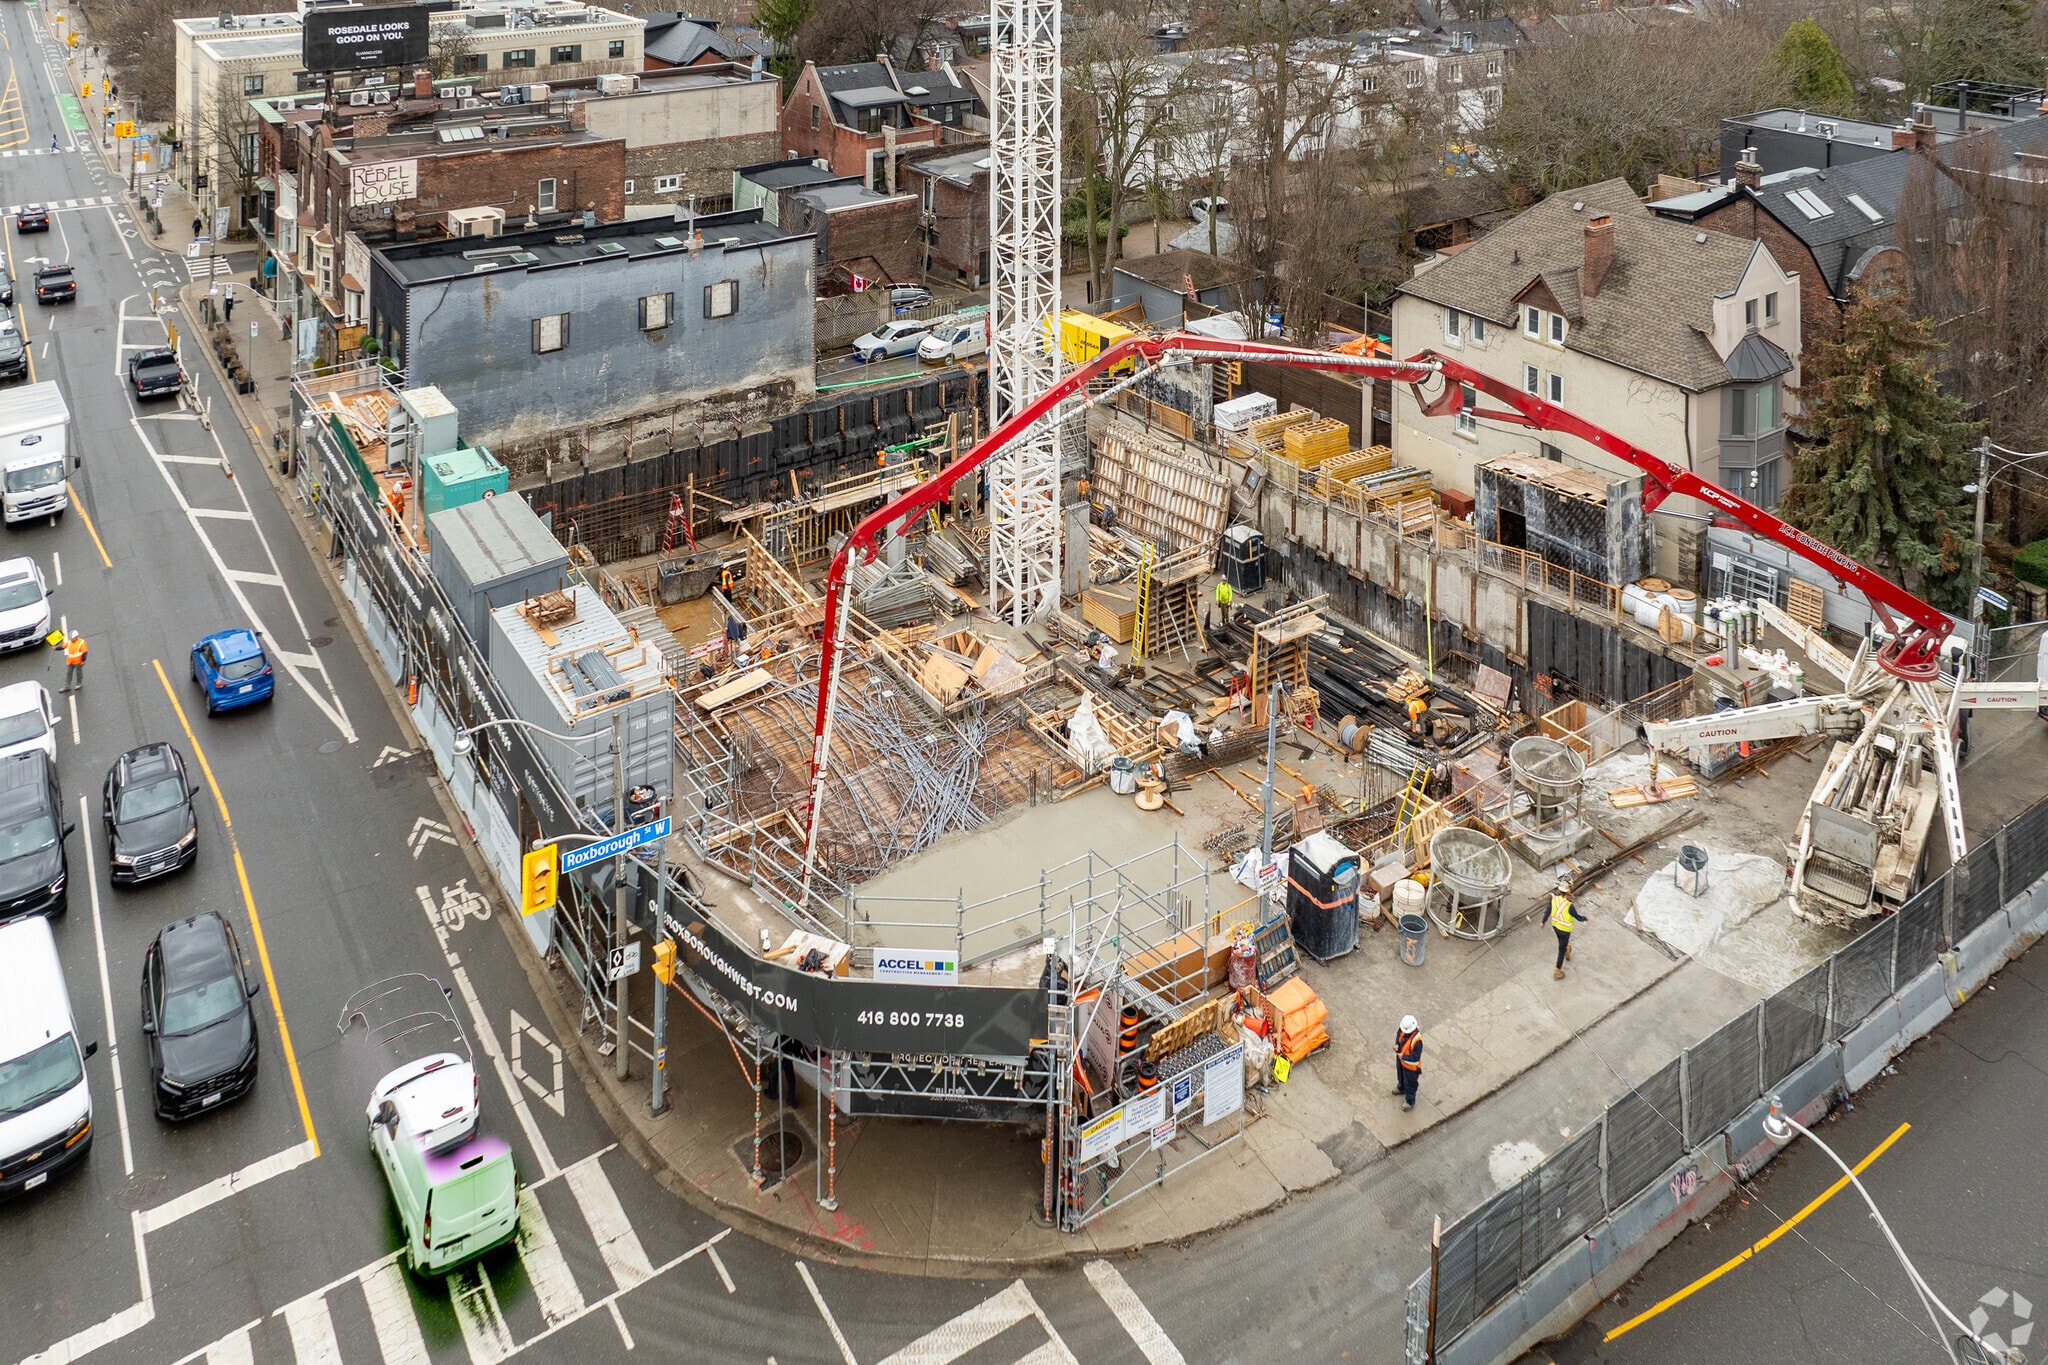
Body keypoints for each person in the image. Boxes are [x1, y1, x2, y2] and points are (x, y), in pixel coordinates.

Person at [1550, 882, 1588, 980]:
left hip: (1555, 926)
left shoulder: (1554, 899)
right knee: (1561, 950)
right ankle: (1557, 970)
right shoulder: (1569, 905)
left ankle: (1567, 949)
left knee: (1562, 943)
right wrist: (1584, 918)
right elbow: (1577, 917)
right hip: (1564, 930)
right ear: (1568, 891)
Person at [1393, 1015, 1422, 1111]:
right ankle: (1401, 1088)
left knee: (1410, 1084)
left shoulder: (1417, 1041)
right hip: (1401, 1062)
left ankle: (1410, 1101)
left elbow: (1415, 1058)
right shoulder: (1403, 1029)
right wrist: (1397, 1044)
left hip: (1411, 1068)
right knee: (1401, 1076)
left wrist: (1404, 1057)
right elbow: (1399, 1034)